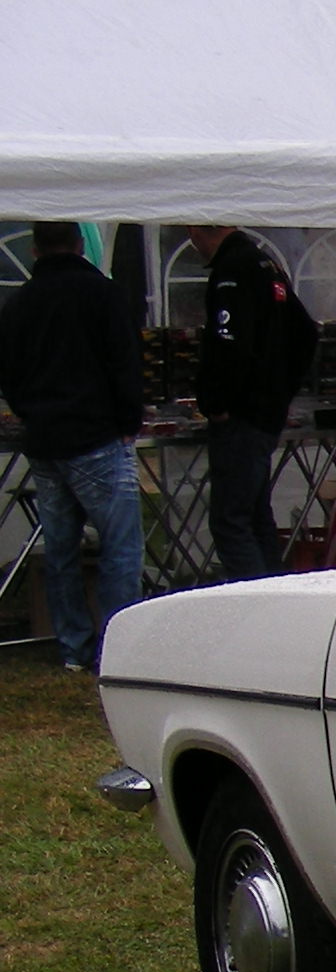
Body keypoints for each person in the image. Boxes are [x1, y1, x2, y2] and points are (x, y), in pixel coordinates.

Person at [0, 222, 143, 668]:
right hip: (96, 434)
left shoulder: (19, 303)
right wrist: (129, 421)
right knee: (121, 545)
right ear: (81, 245)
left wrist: (28, 411)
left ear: (35, 249)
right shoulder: (103, 294)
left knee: (60, 550)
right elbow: (125, 360)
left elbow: (7, 373)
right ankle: (119, 647)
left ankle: (73, 647)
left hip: (45, 439)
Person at [187, 224, 315, 580]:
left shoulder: (233, 270)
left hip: (242, 417)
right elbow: (306, 333)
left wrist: (217, 403)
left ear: (197, 230)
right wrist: (281, 392)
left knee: (230, 522)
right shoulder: (264, 263)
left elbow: (229, 346)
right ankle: (273, 593)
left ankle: (253, 600)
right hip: (263, 413)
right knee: (255, 516)